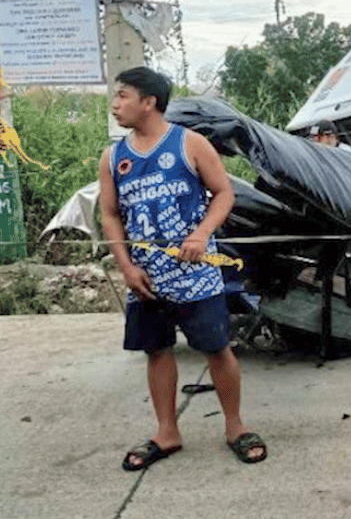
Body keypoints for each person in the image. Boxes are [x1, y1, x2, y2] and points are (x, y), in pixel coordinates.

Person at [98, 67, 266, 471]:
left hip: (196, 275)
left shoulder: (190, 144)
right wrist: (126, 267)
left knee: (216, 348)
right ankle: (167, 431)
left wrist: (202, 233)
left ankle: (235, 426)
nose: (116, 105)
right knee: (156, 350)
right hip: (146, 279)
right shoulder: (114, 157)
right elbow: (110, 214)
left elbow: (224, 192)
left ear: (149, 102)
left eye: (123, 96)